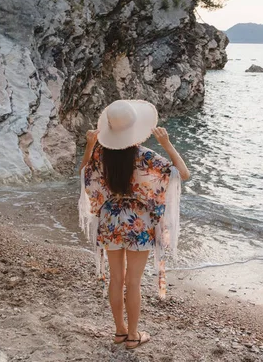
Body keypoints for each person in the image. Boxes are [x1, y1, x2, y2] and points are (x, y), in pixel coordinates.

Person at [78, 100, 190, 350]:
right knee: (134, 282)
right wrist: (167, 143)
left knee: (116, 279)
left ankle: (119, 331)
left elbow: (84, 174)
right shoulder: (145, 156)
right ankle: (133, 335)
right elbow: (182, 174)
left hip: (110, 221)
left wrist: (89, 145)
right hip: (138, 224)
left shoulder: (100, 155)